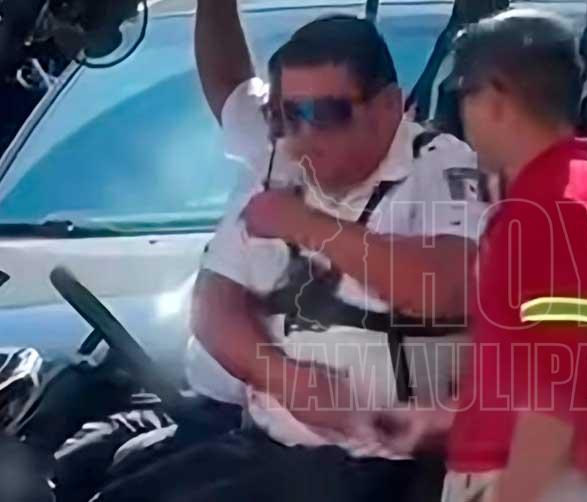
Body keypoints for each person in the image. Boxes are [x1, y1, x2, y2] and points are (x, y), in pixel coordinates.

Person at [87, 6, 487, 502]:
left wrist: (306, 226)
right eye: (285, 114)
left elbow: (444, 288)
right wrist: (285, 379)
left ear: (388, 106)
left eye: (324, 114)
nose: (302, 134)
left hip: (389, 468)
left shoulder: (441, 166)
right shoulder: (279, 159)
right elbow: (215, 305)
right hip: (271, 449)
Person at [378, 9, 587, 502]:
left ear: (496, 98)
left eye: (463, 93)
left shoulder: (559, 210)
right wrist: (444, 419)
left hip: (538, 484)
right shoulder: (559, 197)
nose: (461, 112)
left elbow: (558, 393)